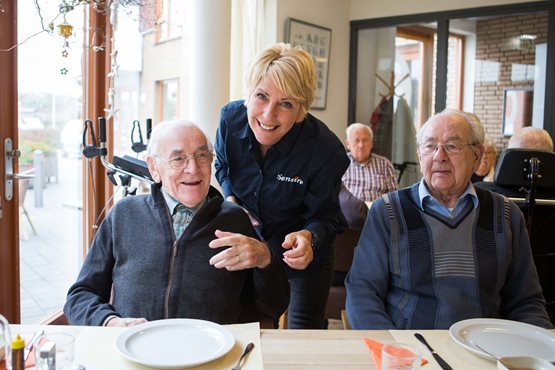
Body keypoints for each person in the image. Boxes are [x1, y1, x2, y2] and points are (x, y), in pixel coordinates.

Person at [64, 120, 289, 327]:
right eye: (178, 159)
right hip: (135, 353)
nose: (193, 168)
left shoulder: (235, 219)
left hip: (210, 356)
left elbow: (273, 305)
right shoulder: (124, 215)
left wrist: (265, 259)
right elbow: (80, 296)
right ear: (154, 168)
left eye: (202, 156)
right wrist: (108, 322)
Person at [345, 109, 553, 330]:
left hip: (485, 351)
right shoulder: (388, 211)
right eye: (430, 146)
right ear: (419, 154)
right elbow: (362, 293)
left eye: (452, 146)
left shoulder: (506, 214)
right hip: (411, 351)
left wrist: (543, 350)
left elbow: (526, 302)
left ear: (477, 155)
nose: (439, 156)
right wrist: (393, 350)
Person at [214, 43, 349, 329]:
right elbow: (223, 166)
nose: (267, 115)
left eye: (286, 103)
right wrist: (232, 198)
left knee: (301, 338)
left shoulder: (325, 150)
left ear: (301, 108)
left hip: (302, 254)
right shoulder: (230, 119)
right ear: (249, 93)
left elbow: (326, 217)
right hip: (253, 242)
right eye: (261, 97)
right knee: (254, 324)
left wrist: (309, 237)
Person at [342, 123, 399, 203]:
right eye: (356, 140)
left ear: (371, 143)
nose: (361, 145)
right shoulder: (340, 163)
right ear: (348, 144)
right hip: (348, 214)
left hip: (377, 213)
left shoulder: (385, 164)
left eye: (365, 140)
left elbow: (394, 196)